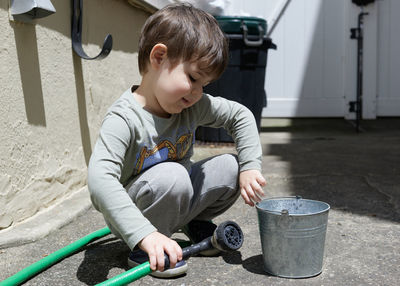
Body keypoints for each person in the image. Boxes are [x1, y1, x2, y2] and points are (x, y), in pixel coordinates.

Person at [87, 3, 266, 278]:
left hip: (176, 192)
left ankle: (194, 223)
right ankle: (147, 249)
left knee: (233, 167)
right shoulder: (124, 119)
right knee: (174, 176)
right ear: (159, 57)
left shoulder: (192, 104)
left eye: (204, 84)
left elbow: (239, 115)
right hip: (135, 215)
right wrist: (143, 234)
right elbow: (100, 180)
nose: (197, 92)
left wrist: (251, 166)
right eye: (193, 78)